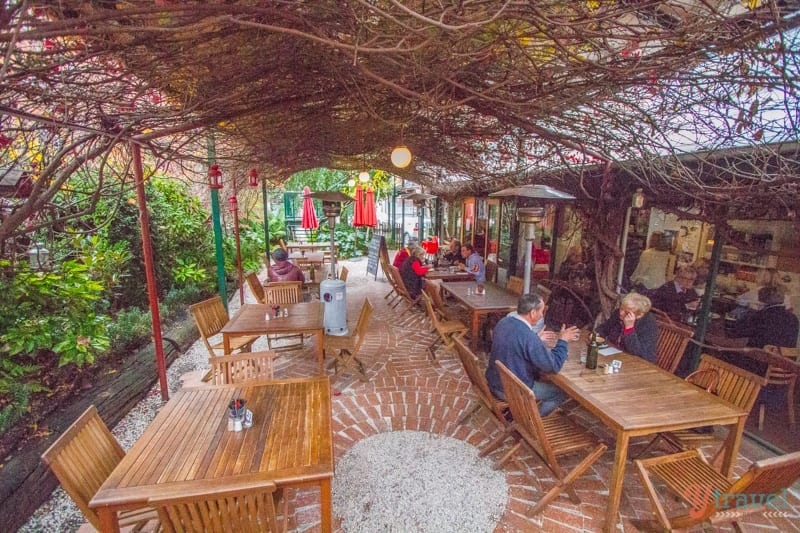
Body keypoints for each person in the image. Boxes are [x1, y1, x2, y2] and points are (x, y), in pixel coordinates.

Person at [485, 294, 580, 416]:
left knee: (539, 377)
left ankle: (522, 414)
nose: (542, 315)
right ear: (533, 313)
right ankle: (531, 422)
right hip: (510, 391)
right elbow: (553, 366)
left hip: (493, 381)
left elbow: (514, 344)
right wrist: (563, 341)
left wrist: (536, 339)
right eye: (541, 311)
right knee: (559, 393)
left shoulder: (503, 322)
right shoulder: (528, 337)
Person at [596, 292, 658, 363]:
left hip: (639, 363)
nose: (621, 313)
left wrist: (629, 328)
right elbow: (604, 328)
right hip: (616, 356)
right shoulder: (618, 314)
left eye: (627, 312)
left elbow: (637, 353)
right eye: (621, 308)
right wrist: (596, 335)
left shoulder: (648, 323)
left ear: (639, 315)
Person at [733, 285, 799, 349]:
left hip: (759, 356)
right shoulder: (793, 318)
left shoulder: (760, 316)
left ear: (762, 301)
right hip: (784, 358)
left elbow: (738, 332)